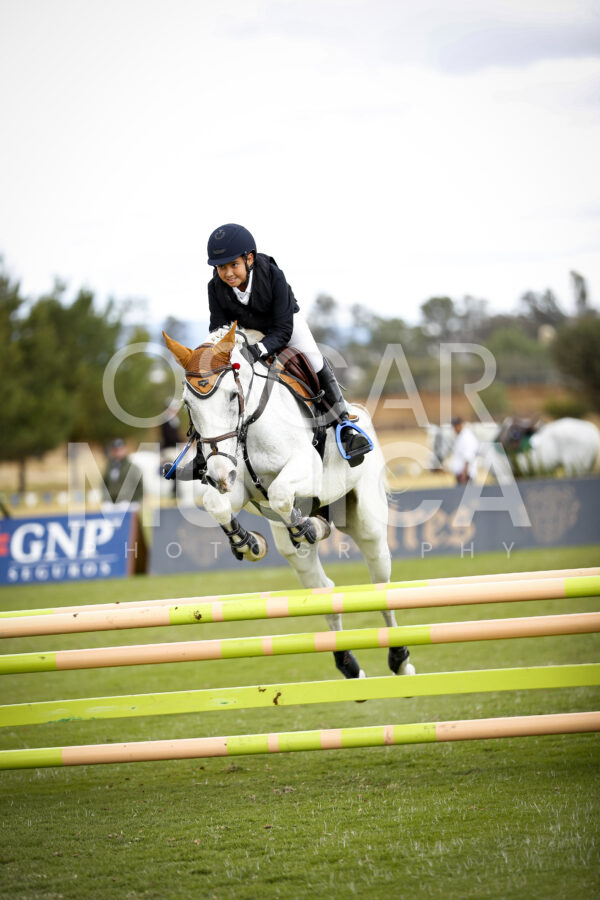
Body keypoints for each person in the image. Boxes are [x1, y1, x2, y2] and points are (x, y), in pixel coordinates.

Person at [205, 223, 370, 463]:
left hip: (282, 323)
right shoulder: (215, 287)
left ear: (249, 259)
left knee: (313, 359)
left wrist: (259, 349)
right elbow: (219, 329)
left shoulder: (273, 274)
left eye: (233, 265)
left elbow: (282, 330)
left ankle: (344, 425)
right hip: (246, 331)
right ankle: (205, 445)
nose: (228, 273)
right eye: (222, 267)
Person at [102, 439, 144, 505]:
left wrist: (134, 501)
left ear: (125, 449)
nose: (118, 452)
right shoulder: (109, 467)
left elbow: (140, 486)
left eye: (120, 449)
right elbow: (104, 484)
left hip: (128, 502)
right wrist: (106, 498)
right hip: (111, 503)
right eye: (116, 450)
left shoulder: (132, 468)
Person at [449, 417, 480, 484]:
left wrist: (464, 474)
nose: (454, 429)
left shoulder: (467, 437)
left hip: (465, 476)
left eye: (456, 426)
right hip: (461, 475)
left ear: (460, 425)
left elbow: (468, 457)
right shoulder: (460, 436)